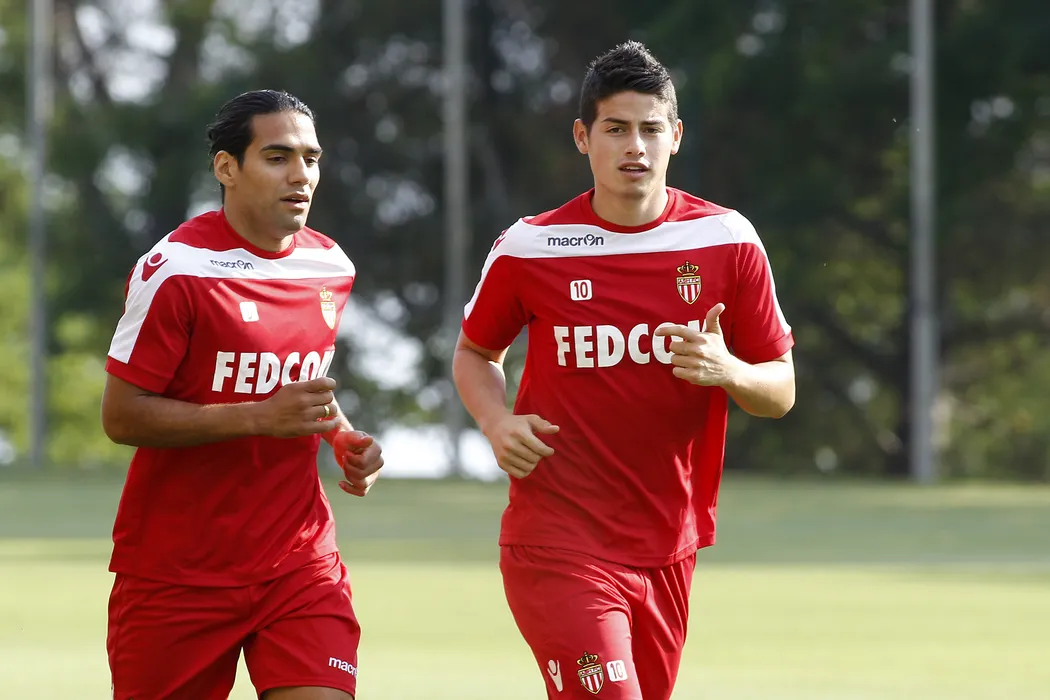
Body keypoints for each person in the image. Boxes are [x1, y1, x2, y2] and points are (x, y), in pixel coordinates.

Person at [452, 41, 796, 699]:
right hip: (556, 539)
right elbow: (474, 353)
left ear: (676, 136)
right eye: (615, 128)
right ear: (583, 137)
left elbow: (780, 391)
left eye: (650, 129)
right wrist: (495, 422)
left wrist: (729, 370)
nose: (634, 146)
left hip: (668, 545)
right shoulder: (530, 246)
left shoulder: (727, 240)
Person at [100, 89, 383, 700]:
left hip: (300, 564)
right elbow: (121, 416)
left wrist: (342, 436)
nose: (301, 175)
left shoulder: (330, 266)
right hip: (177, 574)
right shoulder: (177, 270)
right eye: (278, 157)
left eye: (311, 158)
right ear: (227, 168)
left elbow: (298, 389)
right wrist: (257, 418)